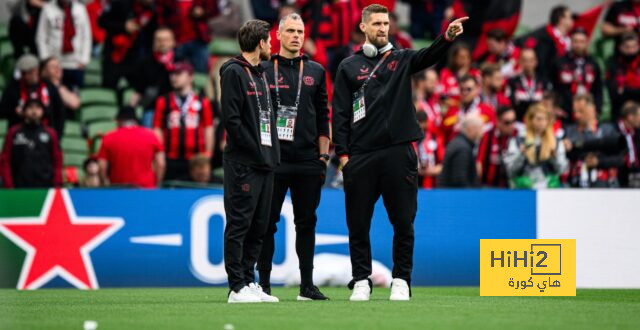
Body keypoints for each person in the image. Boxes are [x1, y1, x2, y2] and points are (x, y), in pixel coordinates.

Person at [332, 4, 466, 301]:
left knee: (403, 222)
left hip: (398, 153)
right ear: (364, 27)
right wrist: (343, 157)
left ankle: (402, 279)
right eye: (377, 23)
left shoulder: (402, 57)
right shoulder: (348, 67)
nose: (382, 28)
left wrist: (446, 37)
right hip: (361, 155)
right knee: (358, 223)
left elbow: (427, 56)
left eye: (386, 23)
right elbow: (339, 115)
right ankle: (362, 279)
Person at [256, 13, 331, 301]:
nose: (296, 36)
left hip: (308, 160)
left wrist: (323, 157)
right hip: (273, 160)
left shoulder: (316, 70)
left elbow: (324, 116)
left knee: (307, 223)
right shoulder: (263, 68)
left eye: (300, 31)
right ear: (278, 35)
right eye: (290, 31)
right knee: (266, 223)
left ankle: (307, 286)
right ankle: (263, 285)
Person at [219, 20, 280, 304]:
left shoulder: (261, 73)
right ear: (260, 44)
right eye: (269, 41)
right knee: (240, 223)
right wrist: (256, 150)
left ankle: (249, 281)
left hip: (265, 161)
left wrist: (269, 154)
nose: (272, 45)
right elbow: (231, 121)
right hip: (244, 162)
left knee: (260, 225)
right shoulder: (233, 72)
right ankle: (236, 286)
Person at [152, 62, 214, 180]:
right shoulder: (163, 101)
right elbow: (157, 128)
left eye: (178, 74)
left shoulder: (203, 101)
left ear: (190, 77)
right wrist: (160, 155)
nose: (173, 77)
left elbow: (208, 128)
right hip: (170, 158)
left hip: (196, 159)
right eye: (172, 74)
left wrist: (208, 154)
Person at [0, 97, 62, 188]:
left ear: (43, 111)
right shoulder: (14, 132)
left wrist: (56, 184)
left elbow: (57, 160)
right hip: (18, 187)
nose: (34, 111)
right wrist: (9, 185)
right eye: (30, 107)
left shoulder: (50, 133)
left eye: (38, 108)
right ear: (24, 111)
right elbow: (5, 160)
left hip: (45, 187)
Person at [97, 106, 165, 188]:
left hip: (118, 189)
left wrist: (104, 182)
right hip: (146, 188)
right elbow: (161, 164)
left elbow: (101, 166)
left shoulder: (108, 138)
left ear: (119, 120)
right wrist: (157, 183)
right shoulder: (151, 136)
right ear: (135, 120)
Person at [504, 103, 568, 189]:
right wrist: (520, 154)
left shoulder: (556, 142)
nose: (542, 122)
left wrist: (554, 157)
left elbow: (562, 170)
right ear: (530, 120)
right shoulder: (518, 141)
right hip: (524, 188)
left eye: (544, 119)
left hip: (549, 189)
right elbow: (509, 171)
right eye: (538, 119)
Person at [0, 54, 65, 137]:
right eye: (23, 73)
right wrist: (14, 111)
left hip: (45, 135)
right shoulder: (13, 88)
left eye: (29, 72)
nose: (26, 76)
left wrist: (56, 136)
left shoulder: (48, 86)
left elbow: (59, 111)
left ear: (36, 70)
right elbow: (2, 111)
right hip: (20, 136)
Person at [564, 94, 621, 188]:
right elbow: (567, 155)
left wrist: (598, 161)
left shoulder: (608, 129)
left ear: (592, 109)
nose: (577, 115)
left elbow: (620, 159)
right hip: (578, 184)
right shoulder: (569, 131)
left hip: (607, 184)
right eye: (575, 111)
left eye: (581, 111)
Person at [98, 0, 156, 89]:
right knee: (109, 88)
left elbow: (151, 34)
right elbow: (101, 21)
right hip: (114, 55)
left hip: (135, 57)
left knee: (136, 90)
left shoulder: (151, 10)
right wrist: (123, 26)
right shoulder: (121, 3)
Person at [35, 0, 92, 91]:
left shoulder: (80, 9)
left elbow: (86, 36)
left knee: (74, 96)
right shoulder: (48, 9)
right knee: (54, 95)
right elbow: (41, 37)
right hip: (54, 65)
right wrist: (46, 61)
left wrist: (84, 60)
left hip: (76, 64)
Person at [551, 28, 603, 120]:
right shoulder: (559, 62)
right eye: (575, 41)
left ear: (587, 43)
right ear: (571, 42)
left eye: (582, 42)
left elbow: (598, 89)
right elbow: (553, 87)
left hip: (587, 111)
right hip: (565, 112)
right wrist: (555, 107)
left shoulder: (593, 63)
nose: (578, 45)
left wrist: (597, 109)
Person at [156, 0, 218, 73]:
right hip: (176, 42)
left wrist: (203, 12)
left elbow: (214, 11)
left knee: (201, 72)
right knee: (173, 73)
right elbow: (161, 14)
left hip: (198, 41)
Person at [131, 27, 176, 126]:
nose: (162, 43)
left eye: (166, 40)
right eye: (159, 40)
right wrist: (130, 109)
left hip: (176, 107)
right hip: (152, 107)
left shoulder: (180, 61)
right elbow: (138, 90)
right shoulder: (145, 62)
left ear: (173, 42)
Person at [521, 5, 574, 80]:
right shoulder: (544, 37)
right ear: (561, 19)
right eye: (570, 17)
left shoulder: (570, 40)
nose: (573, 20)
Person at [442, 74, 496, 143]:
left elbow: (491, 136)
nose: (465, 93)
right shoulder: (452, 111)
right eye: (462, 89)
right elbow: (444, 134)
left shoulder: (487, 110)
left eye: (469, 89)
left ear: (477, 89)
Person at [476, 106, 518, 188]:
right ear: (498, 121)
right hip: (489, 187)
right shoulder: (488, 136)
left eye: (513, 121)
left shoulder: (518, 135)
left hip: (512, 187)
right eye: (507, 122)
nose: (511, 125)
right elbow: (479, 162)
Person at [505, 48, 552, 121]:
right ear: (519, 61)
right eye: (525, 60)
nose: (528, 64)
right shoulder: (512, 82)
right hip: (519, 123)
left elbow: (547, 104)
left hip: (540, 123)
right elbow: (511, 104)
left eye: (531, 60)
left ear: (536, 61)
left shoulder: (544, 82)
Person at [438, 114, 483, 188]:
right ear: (471, 129)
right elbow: (460, 180)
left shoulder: (458, 143)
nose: (481, 134)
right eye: (480, 129)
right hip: (457, 196)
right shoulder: (463, 149)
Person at [606, 32, 640, 120]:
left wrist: (625, 90)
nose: (631, 50)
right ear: (621, 47)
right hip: (619, 111)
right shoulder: (613, 65)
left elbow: (621, 91)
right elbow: (614, 92)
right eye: (627, 47)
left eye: (633, 47)